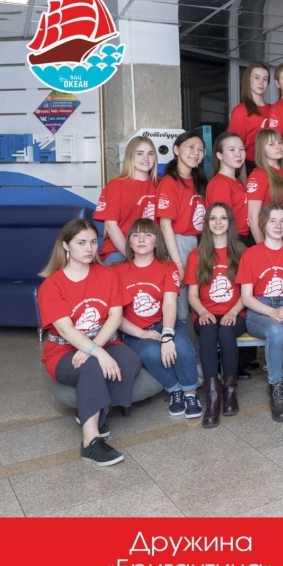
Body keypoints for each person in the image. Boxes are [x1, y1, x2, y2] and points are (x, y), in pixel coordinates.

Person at [37, 219, 141, 466]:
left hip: (102, 340)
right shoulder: (52, 284)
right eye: (81, 243)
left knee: (130, 360)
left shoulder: (107, 274)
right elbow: (66, 329)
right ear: (66, 245)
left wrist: (96, 347)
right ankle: (90, 441)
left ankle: (93, 413)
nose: (89, 248)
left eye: (93, 242)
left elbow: (115, 316)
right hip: (62, 351)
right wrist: (97, 353)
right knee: (93, 365)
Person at [117, 219, 201, 419]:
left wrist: (167, 335)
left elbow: (170, 304)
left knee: (182, 346)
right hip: (134, 330)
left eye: (148, 235)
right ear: (129, 242)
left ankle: (190, 393)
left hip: (166, 323)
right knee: (151, 352)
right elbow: (115, 314)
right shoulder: (116, 271)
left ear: (156, 241)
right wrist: (141, 333)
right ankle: (175, 390)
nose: (141, 239)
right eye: (136, 235)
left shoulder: (168, 267)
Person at [238, 204, 283, 422]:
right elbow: (246, 298)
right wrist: (272, 312)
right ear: (263, 224)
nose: (278, 225)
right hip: (260, 308)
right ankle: (276, 388)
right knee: (275, 331)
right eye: (272, 220)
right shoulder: (250, 254)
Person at [184, 203, 247, 428]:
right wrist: (202, 311)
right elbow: (192, 295)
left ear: (230, 223)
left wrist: (233, 311)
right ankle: (212, 395)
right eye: (213, 218)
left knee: (226, 331)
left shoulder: (241, 252)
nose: (218, 222)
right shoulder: (196, 254)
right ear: (207, 223)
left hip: (236, 312)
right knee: (209, 331)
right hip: (205, 313)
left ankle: (230, 390)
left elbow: (247, 292)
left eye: (223, 218)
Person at [156, 131, 206, 321]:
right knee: (182, 298)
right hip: (178, 243)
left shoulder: (199, 181)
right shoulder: (169, 182)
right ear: (176, 149)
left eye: (200, 149)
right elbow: (165, 225)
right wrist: (177, 262)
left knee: (196, 295)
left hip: (197, 243)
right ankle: (181, 337)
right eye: (191, 147)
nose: (196, 153)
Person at [94, 135, 158, 264]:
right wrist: (131, 256)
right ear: (130, 157)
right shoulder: (116, 185)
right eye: (140, 153)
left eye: (150, 154)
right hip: (120, 250)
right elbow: (110, 226)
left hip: (152, 250)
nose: (146, 158)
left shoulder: (161, 185)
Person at [246, 128, 283, 243]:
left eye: (280, 142)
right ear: (262, 149)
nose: (278, 147)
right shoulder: (259, 175)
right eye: (271, 144)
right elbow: (253, 216)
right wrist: (261, 245)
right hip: (267, 236)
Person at [205, 132, 251, 245]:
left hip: (243, 237)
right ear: (219, 155)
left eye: (241, 149)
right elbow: (220, 224)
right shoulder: (220, 183)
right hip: (233, 240)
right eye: (232, 149)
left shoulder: (237, 181)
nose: (238, 154)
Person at [227, 61, 272, 169]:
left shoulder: (273, 109)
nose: (261, 82)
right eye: (257, 77)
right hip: (250, 164)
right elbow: (233, 145)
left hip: (272, 162)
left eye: (265, 79)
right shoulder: (241, 110)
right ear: (248, 80)